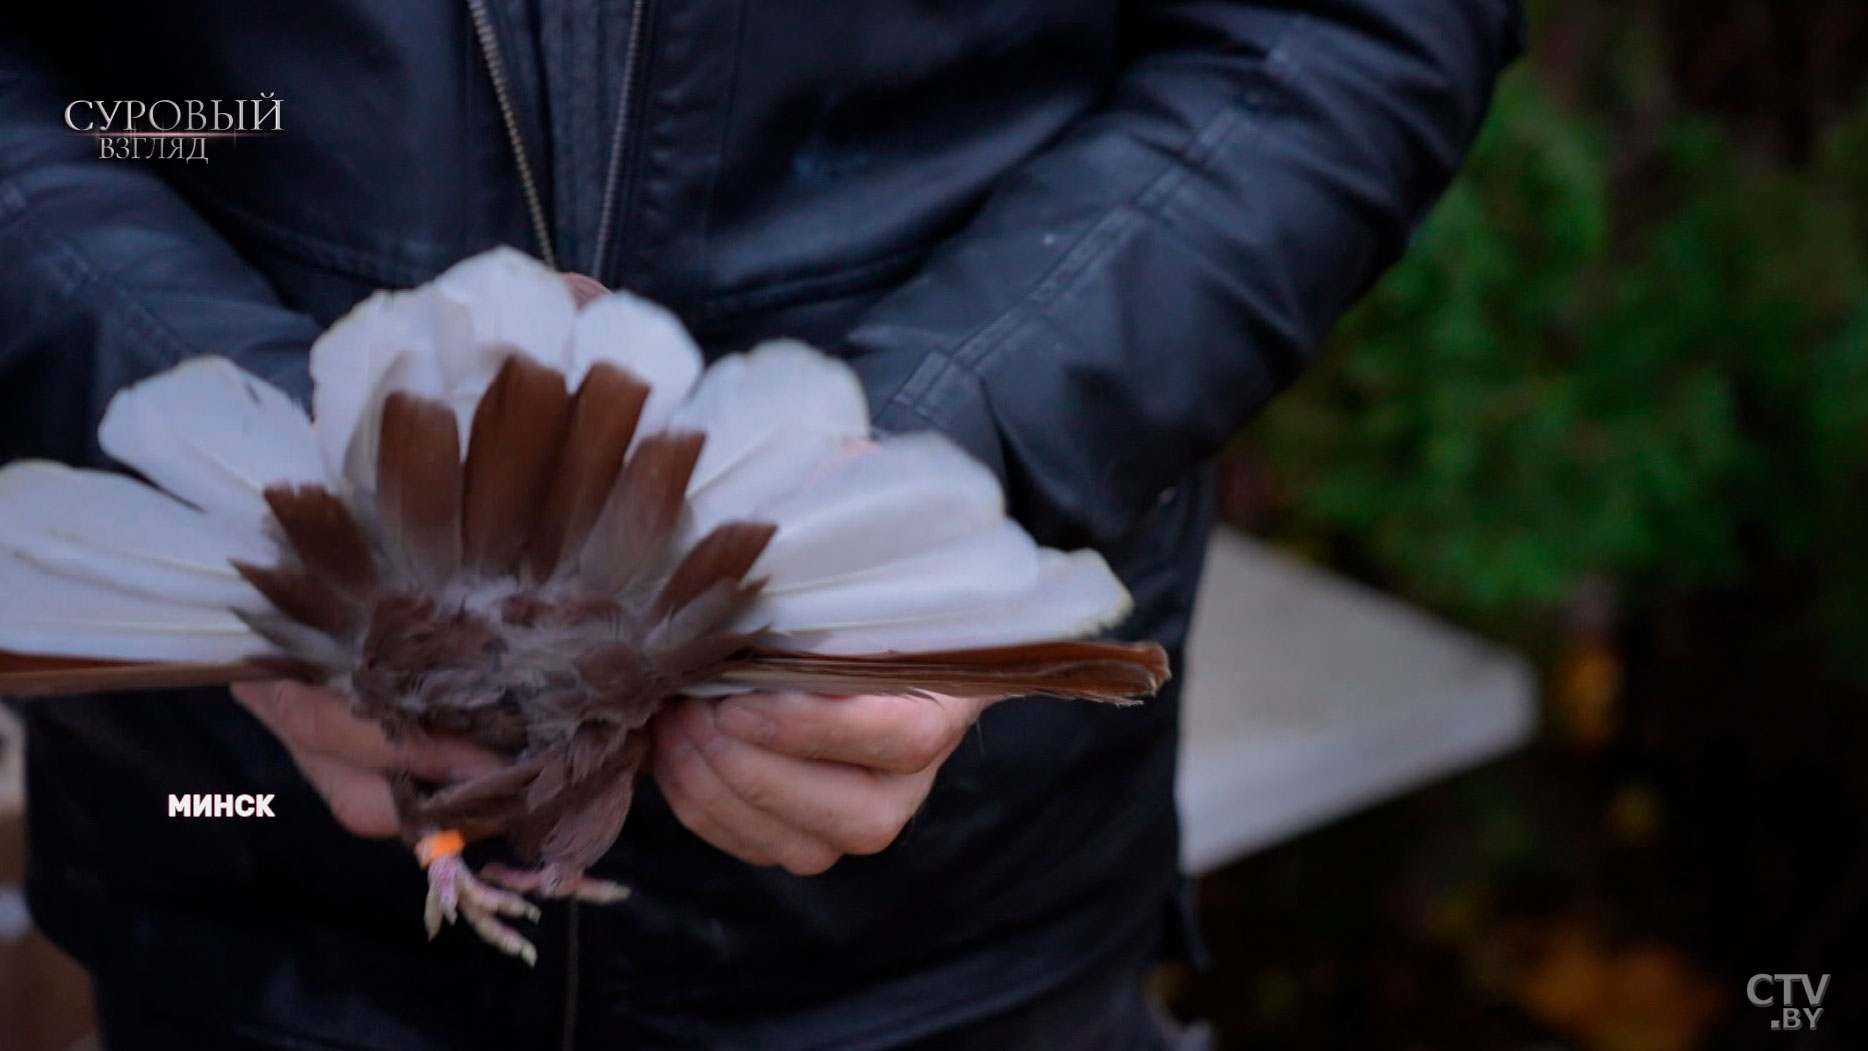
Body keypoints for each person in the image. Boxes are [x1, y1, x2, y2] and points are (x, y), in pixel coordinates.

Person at [0, 1, 1521, 1047]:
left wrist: (931, 470)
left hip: (962, 945)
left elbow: (1349, 26)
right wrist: (251, 483)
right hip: (237, 882)